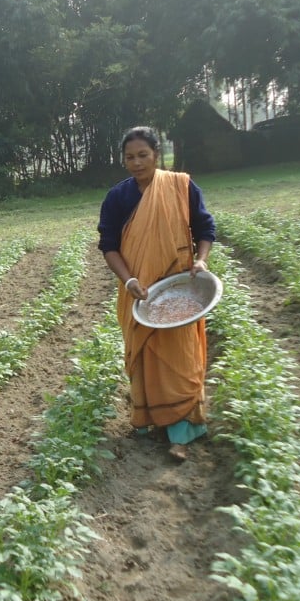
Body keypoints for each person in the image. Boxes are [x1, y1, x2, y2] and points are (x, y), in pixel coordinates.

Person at [97, 126, 216, 462]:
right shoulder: (118, 197)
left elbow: (205, 227)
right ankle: (151, 420)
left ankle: (182, 432)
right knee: (145, 357)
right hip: (141, 293)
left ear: (157, 154)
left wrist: (201, 261)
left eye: (143, 155)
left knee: (179, 358)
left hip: (179, 289)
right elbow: (109, 246)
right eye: (129, 157)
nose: (136, 163)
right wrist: (129, 281)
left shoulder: (180, 186)